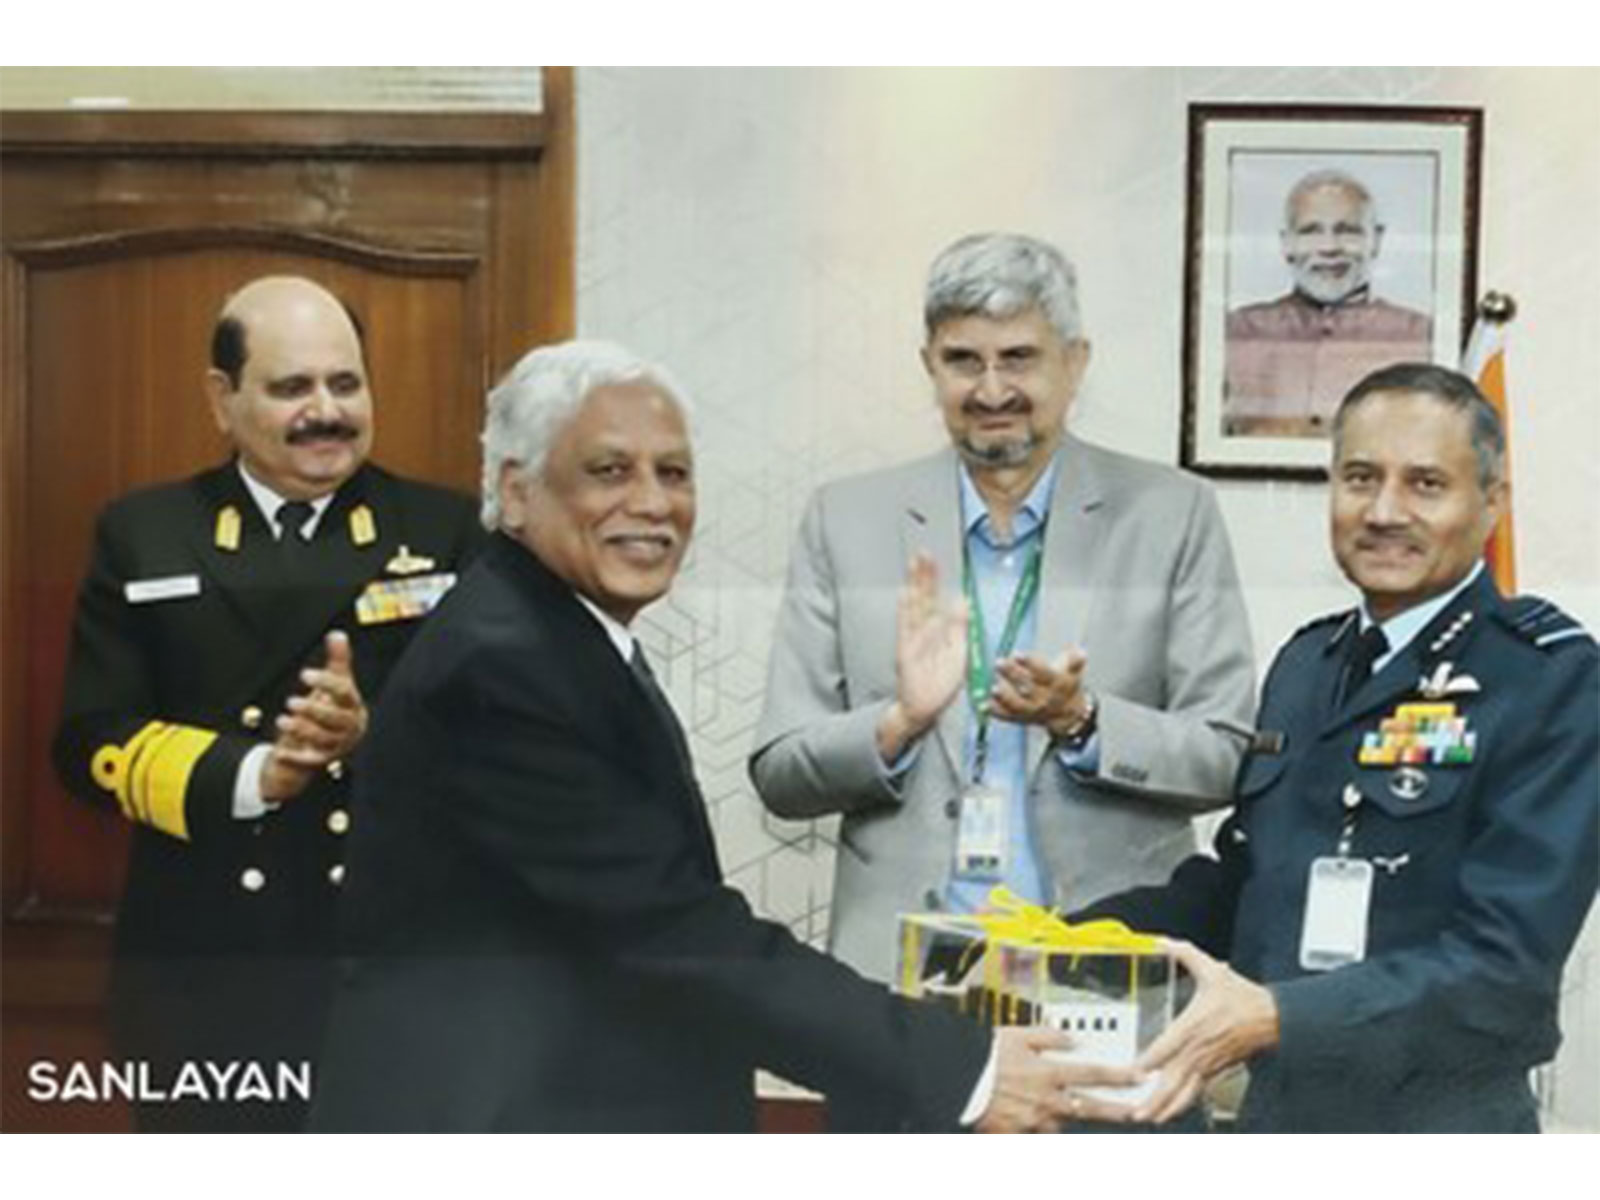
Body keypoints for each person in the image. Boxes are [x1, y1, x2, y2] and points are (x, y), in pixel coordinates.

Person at [308, 339, 1137, 1132]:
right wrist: (963, 1069)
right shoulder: (505, 664)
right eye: (609, 471)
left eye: (673, 472)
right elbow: (674, 932)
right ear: (517, 491)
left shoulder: (553, 630)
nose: (653, 502)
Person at [1080, 363, 1598, 1132]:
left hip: (1441, 1133)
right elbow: (1250, 884)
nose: (1385, 510)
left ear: (1491, 505)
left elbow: (1504, 973)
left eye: (1426, 484)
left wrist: (1279, 1016)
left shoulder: (1548, 679)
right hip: (1282, 1118)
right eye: (1360, 478)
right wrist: (1072, 936)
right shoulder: (1307, 665)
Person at [750, 232, 1255, 990]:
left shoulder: (1171, 515)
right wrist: (898, 724)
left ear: (1075, 363)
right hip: (899, 985)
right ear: (929, 365)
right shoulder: (846, 520)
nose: (991, 389)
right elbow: (781, 773)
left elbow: (1225, 755)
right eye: (963, 360)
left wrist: (1084, 721)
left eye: (1019, 357)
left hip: (1099, 974)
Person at [52, 276, 483, 1132]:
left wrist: (371, 738)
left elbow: (504, 745)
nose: (326, 410)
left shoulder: (445, 532)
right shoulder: (147, 533)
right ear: (223, 399)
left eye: (346, 383)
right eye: (292, 387)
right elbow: (88, 741)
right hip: (202, 968)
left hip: (388, 967)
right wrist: (257, 774)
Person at [1225, 169, 1433, 437]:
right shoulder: (1238, 331)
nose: (1329, 247)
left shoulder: (1419, 336)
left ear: (1376, 240)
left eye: (1347, 231)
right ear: (1287, 243)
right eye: (1311, 231)